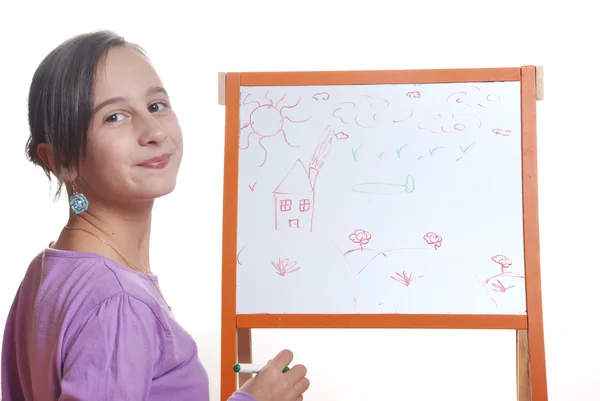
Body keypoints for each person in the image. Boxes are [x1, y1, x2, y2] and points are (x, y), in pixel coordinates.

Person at [0, 30, 310, 401]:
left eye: (156, 105)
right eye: (115, 116)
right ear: (61, 160)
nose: (153, 131)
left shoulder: (47, 272)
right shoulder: (116, 299)